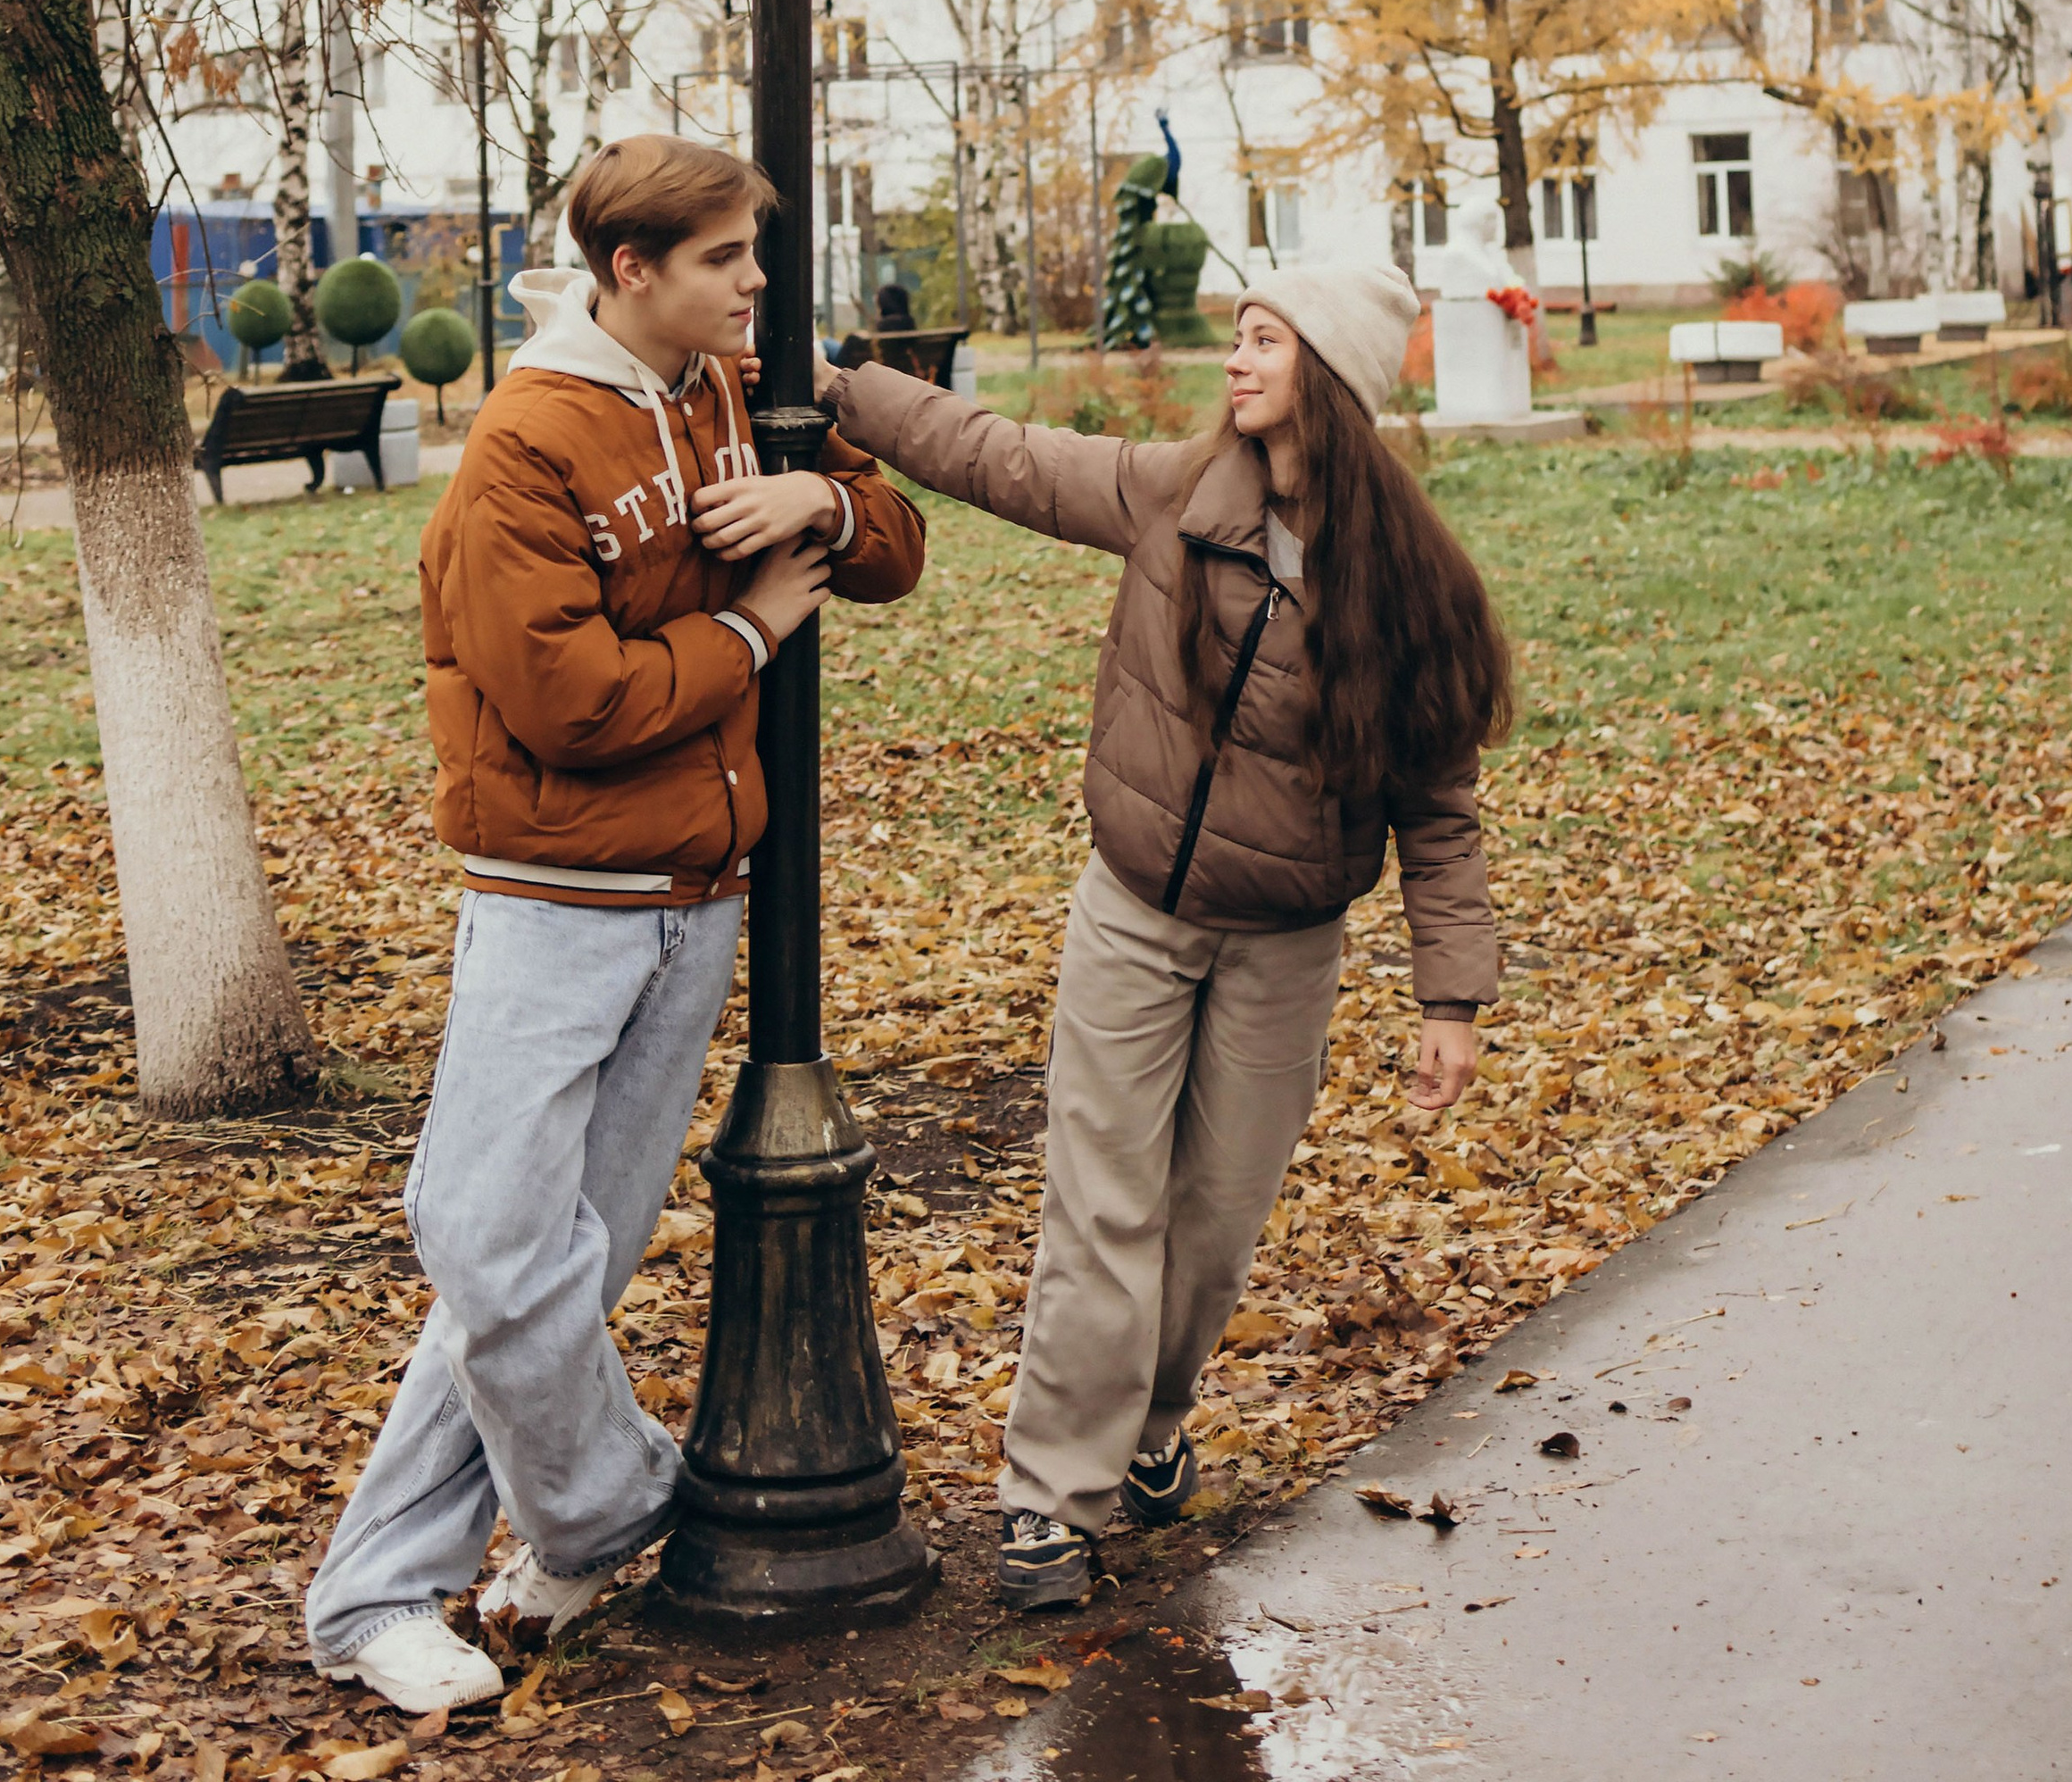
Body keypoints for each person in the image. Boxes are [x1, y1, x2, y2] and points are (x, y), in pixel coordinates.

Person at [306, 137, 926, 1715]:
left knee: (561, 1268)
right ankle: (604, 1504)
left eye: (757, 257)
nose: (761, 285)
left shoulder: (729, 392)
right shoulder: (528, 440)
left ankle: (400, 1590)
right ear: (632, 269)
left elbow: (896, 547)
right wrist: (748, 624)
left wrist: (820, 506)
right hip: (553, 899)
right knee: (492, 1245)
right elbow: (573, 704)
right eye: (730, 259)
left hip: (698, 901)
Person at [820, 258, 1507, 1611]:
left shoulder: (1408, 588)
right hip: (1135, 906)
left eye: (1266, 341)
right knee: (1104, 1198)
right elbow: (994, 455)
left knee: (1210, 1222)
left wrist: (1451, 998)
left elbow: (1439, 810)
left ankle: (1147, 1428)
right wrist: (845, 387)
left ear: (1334, 376)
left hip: (1287, 942)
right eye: (1239, 336)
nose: (1236, 361)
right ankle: (1050, 1505)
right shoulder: (1174, 494)